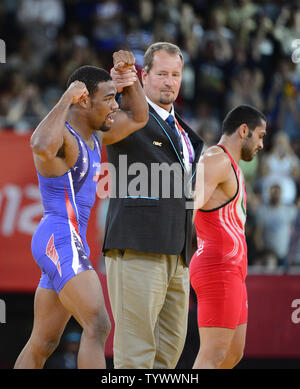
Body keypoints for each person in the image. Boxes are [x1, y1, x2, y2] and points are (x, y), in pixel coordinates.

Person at [14, 50, 148, 369]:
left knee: (43, 342)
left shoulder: (94, 138)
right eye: (109, 99)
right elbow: (38, 145)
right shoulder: (64, 141)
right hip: (59, 236)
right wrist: (66, 97)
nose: (116, 105)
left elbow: (141, 116)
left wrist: (129, 76)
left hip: (69, 241)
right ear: (84, 101)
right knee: (98, 325)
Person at [103, 41, 203, 369]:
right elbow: (102, 117)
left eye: (175, 74)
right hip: (138, 247)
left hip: (179, 255)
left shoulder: (187, 135)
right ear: (144, 76)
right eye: (161, 73)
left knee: (167, 358)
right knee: (135, 357)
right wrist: (121, 77)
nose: (169, 81)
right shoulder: (128, 119)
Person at [190, 104, 267, 369]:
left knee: (233, 355)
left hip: (232, 270)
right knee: (213, 356)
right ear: (243, 130)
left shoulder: (231, 165)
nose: (261, 144)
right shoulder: (217, 159)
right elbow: (188, 205)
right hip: (217, 268)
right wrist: (174, 260)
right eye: (260, 135)